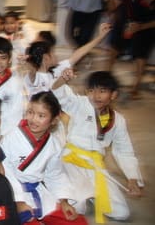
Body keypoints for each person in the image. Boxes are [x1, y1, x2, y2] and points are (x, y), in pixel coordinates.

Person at [51, 70, 143, 223]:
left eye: (102, 91)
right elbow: (59, 95)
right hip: (71, 161)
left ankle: (91, 194)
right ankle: (82, 194)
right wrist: (62, 79)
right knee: (76, 206)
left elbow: (124, 151)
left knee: (121, 212)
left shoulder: (118, 120)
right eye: (91, 90)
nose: (96, 96)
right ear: (87, 92)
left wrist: (132, 178)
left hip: (95, 167)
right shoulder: (80, 104)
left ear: (113, 95)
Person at [1, 92, 87, 225]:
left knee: (78, 221)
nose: (33, 119)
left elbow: (55, 174)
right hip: (13, 194)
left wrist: (63, 201)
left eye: (41, 116)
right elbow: (5, 171)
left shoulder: (54, 144)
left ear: (54, 120)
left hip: (38, 194)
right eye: (30, 112)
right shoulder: (11, 138)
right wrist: (18, 201)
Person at [109, 0, 155, 98]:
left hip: (146, 27)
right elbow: (115, 4)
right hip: (125, 22)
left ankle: (135, 88)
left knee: (141, 56)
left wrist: (141, 27)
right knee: (114, 48)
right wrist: (110, 1)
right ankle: (106, 76)